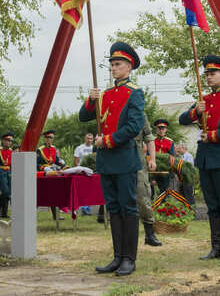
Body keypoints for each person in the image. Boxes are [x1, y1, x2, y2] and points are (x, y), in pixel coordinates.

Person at [79, 41, 145, 276]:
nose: (113, 68)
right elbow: (82, 117)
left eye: (117, 64)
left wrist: (106, 141)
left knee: (128, 207)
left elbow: (134, 126)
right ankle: (117, 257)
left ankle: (129, 257)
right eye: (112, 64)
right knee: (113, 208)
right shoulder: (104, 94)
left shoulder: (134, 93)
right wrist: (91, 99)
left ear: (128, 67)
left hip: (124, 158)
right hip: (107, 161)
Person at [179, 55, 220, 262]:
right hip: (206, 158)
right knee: (212, 205)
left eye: (212, 73)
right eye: (206, 73)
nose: (208, 77)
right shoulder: (203, 99)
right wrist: (194, 112)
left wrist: (215, 135)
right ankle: (215, 246)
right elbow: (182, 119)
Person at [135, 117, 161, 247]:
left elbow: (149, 138)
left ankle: (149, 234)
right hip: (120, 163)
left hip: (138, 162)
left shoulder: (140, 114)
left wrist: (152, 159)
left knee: (143, 195)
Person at [36, 130, 66, 221]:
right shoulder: (39, 150)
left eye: (51, 138)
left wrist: (61, 162)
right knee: (40, 194)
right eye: (48, 137)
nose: (50, 140)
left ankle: (55, 215)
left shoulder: (53, 148)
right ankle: (31, 214)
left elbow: (55, 160)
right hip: (44, 174)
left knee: (54, 193)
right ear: (45, 138)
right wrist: (43, 168)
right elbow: (35, 163)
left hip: (53, 173)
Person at [73, 133, 95, 216]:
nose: (89, 140)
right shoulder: (79, 148)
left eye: (91, 138)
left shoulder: (94, 148)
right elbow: (75, 161)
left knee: (89, 191)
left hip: (91, 171)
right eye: (88, 138)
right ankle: (84, 209)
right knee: (83, 191)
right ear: (85, 139)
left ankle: (87, 209)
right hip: (82, 172)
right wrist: (79, 170)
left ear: (93, 139)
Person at [0, 133, 14, 218]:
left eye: (11, 141)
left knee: (8, 194)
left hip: (9, 173)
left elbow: (12, 164)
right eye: (8, 140)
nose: (9, 142)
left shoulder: (11, 151)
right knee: (5, 192)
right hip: (0, 173)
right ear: (4, 141)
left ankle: (4, 213)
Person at [153, 119, 176, 194]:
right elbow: (148, 155)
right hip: (155, 168)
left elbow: (172, 157)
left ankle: (165, 204)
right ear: (156, 129)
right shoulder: (152, 141)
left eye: (163, 128)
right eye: (159, 128)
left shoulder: (170, 141)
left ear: (166, 129)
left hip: (166, 169)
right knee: (155, 190)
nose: (161, 130)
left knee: (165, 189)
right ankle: (157, 204)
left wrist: (172, 170)